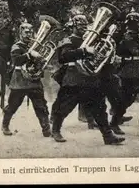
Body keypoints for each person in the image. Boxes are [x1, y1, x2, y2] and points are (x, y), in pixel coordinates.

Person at [50, 13, 125, 145]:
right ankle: (56, 130)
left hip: (91, 79)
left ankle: (108, 136)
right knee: (64, 107)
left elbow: (101, 57)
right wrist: (84, 51)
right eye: (79, 25)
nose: (83, 28)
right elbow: (63, 57)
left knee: (100, 108)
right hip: (73, 79)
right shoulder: (68, 40)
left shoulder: (95, 40)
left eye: (85, 25)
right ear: (73, 26)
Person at [1, 20, 51, 137]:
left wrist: (41, 60)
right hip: (20, 81)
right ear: (20, 33)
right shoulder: (16, 46)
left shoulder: (35, 45)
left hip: (34, 80)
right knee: (13, 105)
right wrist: (29, 54)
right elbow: (16, 60)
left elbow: (39, 61)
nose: (29, 35)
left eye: (30, 33)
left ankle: (46, 129)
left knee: (41, 105)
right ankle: (5, 125)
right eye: (26, 32)